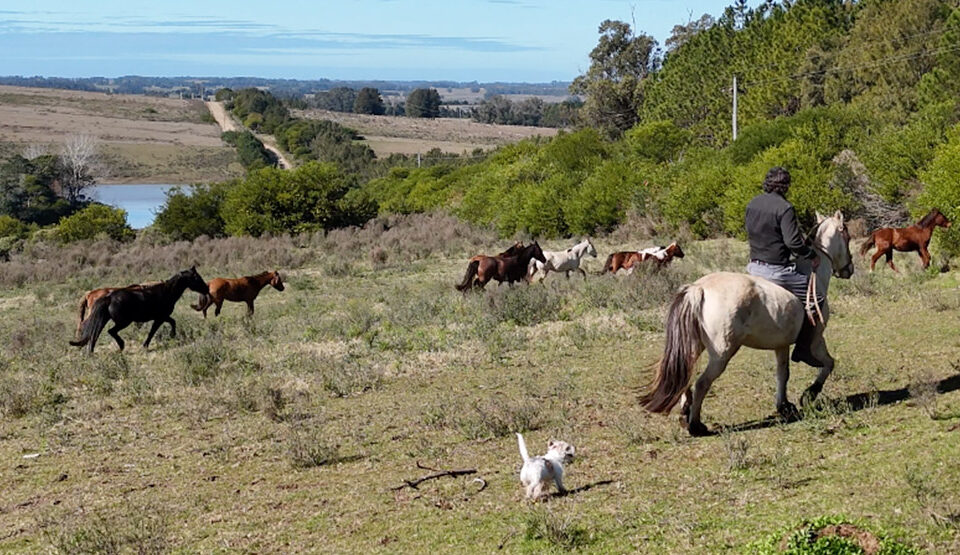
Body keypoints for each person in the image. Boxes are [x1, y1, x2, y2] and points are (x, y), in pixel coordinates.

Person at [745, 167, 823, 367]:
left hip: (753, 267)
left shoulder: (752, 203)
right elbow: (793, 244)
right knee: (817, 298)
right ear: (785, 186)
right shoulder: (785, 208)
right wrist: (811, 254)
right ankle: (804, 349)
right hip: (776, 270)